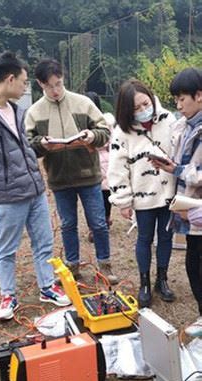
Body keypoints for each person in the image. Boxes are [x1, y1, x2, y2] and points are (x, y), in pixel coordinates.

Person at [0, 52, 71, 321]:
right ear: (10, 79)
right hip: (8, 196)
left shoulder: (18, 111)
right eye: (23, 82)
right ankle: (8, 295)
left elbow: (25, 148)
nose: (25, 88)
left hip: (35, 190)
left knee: (44, 242)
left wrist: (42, 146)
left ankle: (47, 287)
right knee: (7, 249)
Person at [25, 59, 118, 284]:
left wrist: (92, 136)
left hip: (88, 175)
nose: (55, 90)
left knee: (98, 223)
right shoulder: (34, 112)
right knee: (68, 224)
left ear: (63, 79)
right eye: (49, 86)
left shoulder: (83, 103)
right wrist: (42, 144)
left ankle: (105, 265)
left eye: (58, 84)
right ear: (40, 84)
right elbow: (28, 144)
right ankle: (73, 265)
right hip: (59, 178)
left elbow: (104, 131)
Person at [107, 80, 176, 308]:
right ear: (127, 111)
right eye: (136, 108)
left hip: (169, 192)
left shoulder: (168, 120)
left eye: (145, 103)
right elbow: (117, 168)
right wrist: (123, 200)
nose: (143, 110)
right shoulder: (122, 132)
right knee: (144, 238)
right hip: (143, 194)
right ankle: (144, 282)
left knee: (166, 237)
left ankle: (162, 280)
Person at [150, 68, 202, 336]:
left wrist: (177, 169)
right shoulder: (183, 126)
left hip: (197, 207)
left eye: (183, 99)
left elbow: (193, 171)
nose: (179, 105)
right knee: (193, 264)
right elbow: (179, 162)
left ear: (199, 96)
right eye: (176, 99)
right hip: (190, 208)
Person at [84, 91, 116, 242]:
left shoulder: (104, 121)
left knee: (100, 194)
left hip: (100, 161)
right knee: (97, 195)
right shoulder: (81, 122)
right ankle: (98, 224)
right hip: (97, 161)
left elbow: (111, 141)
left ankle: (101, 222)